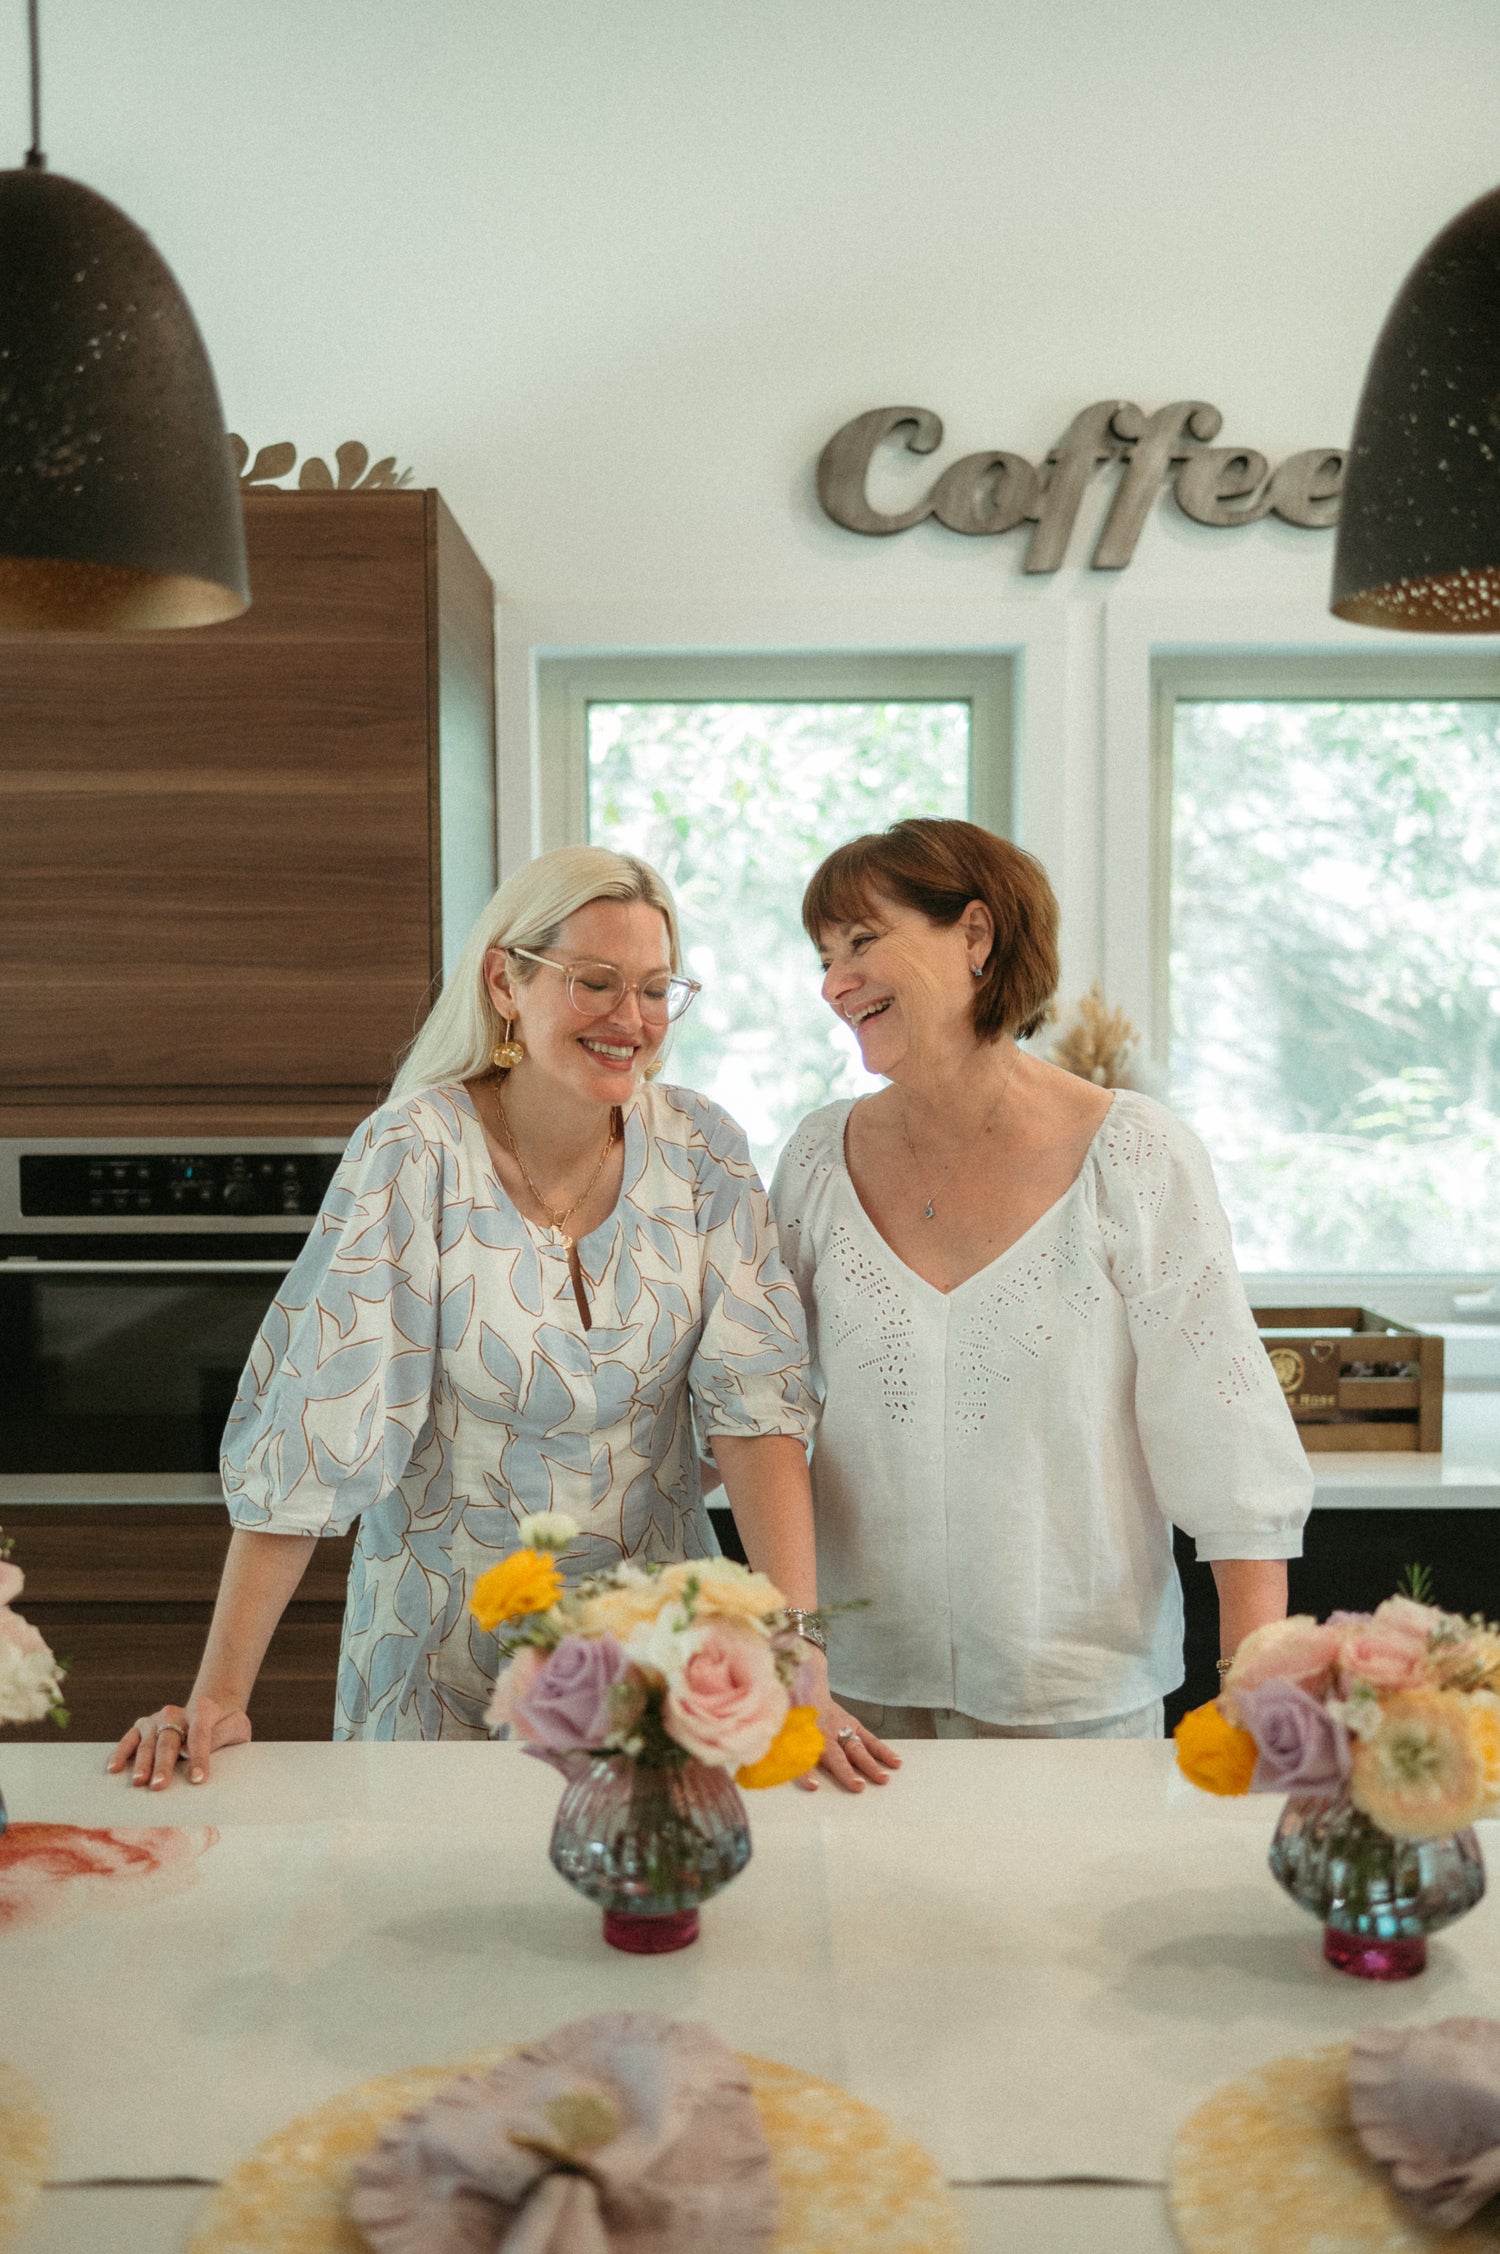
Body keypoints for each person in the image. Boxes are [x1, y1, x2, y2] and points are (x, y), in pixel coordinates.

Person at [110, 847, 898, 1793]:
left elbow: (756, 1414)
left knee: (644, 1913)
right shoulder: (414, 1153)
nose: (630, 1019)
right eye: (595, 982)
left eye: (654, 989)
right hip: (435, 1669)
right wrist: (217, 1695)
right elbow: (317, 1441)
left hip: (656, 1665)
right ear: (506, 981)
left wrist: (793, 1657)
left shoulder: (703, 1153)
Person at [769, 817, 1312, 1740]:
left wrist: (1253, 1695)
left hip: (1074, 1698)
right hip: (852, 1701)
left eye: (862, 942)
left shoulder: (1134, 1154)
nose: (833, 983)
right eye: (824, 956)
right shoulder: (820, 1156)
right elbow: (763, 1402)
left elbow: (1228, 1442)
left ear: (975, 935)